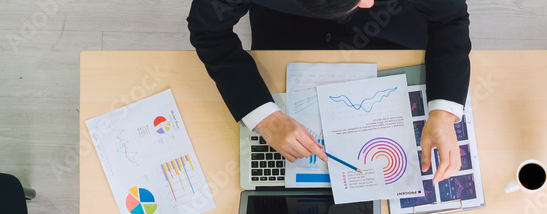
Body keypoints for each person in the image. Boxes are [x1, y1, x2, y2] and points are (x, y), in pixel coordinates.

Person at [187, 0, 471, 182]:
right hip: (286, 31)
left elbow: (449, 19)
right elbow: (208, 31)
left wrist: (444, 113)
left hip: (393, 30)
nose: (367, 1)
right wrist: (263, 115)